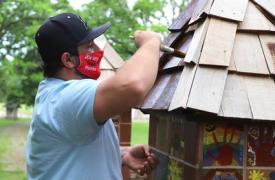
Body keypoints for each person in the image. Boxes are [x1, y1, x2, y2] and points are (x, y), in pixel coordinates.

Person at [25, 12, 161, 180]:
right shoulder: (66, 97)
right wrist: (151, 42)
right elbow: (132, 86)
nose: (98, 50)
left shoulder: (55, 95)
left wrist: (122, 154)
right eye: (89, 46)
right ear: (68, 60)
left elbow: (68, 152)